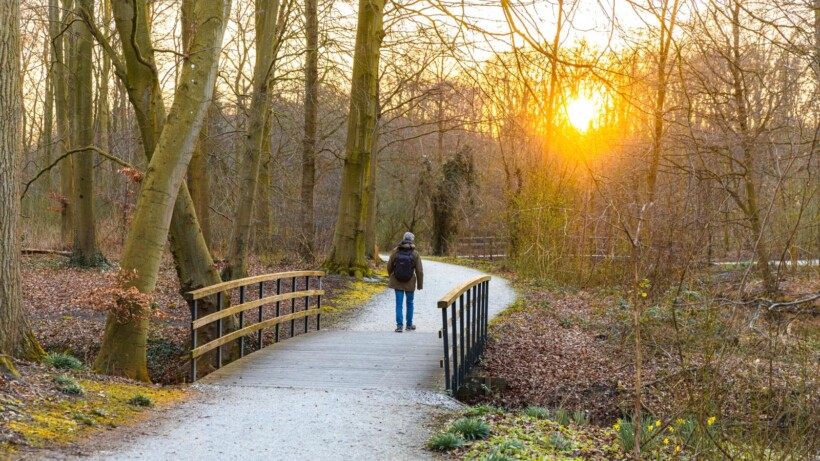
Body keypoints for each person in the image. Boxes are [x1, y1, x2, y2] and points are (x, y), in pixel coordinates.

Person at [387, 232, 423, 332]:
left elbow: (389, 265)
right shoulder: (415, 253)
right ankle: (409, 325)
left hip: (397, 281)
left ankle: (399, 326)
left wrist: (392, 276)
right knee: (410, 303)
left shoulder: (396, 251)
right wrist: (419, 285)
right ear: (412, 240)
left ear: (403, 238)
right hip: (410, 282)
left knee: (399, 304)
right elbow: (419, 270)